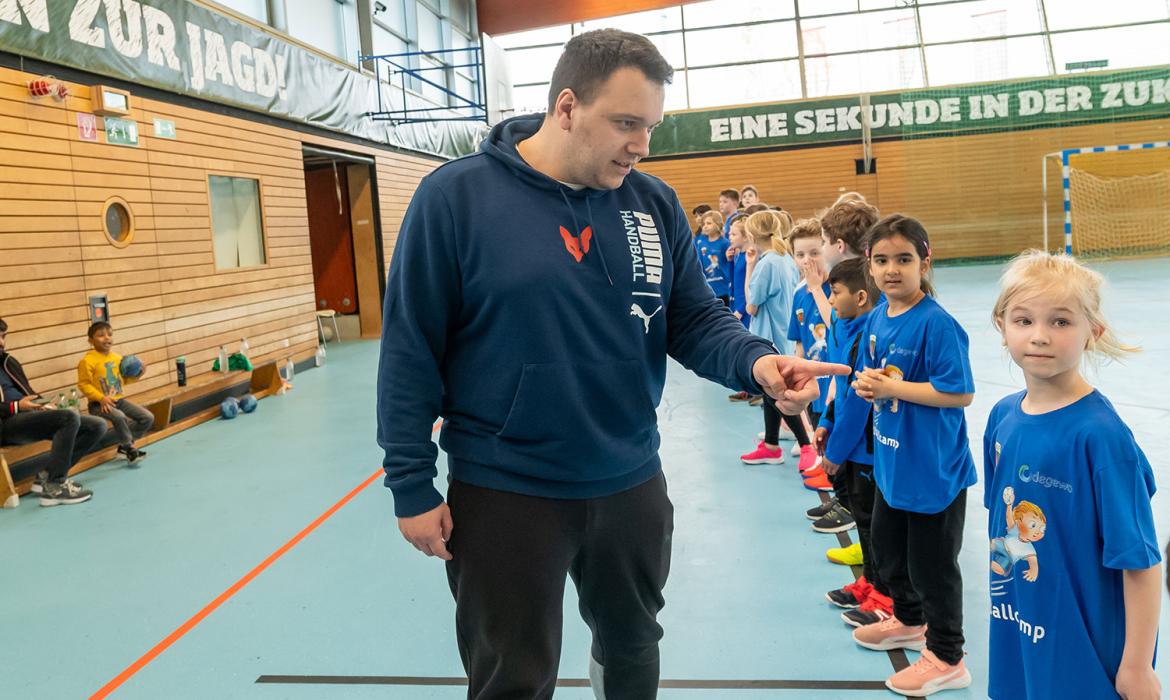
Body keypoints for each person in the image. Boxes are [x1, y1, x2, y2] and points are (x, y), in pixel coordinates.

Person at [375, 29, 849, 700]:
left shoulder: (651, 203)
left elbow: (692, 318)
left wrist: (759, 362)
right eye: (627, 123)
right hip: (506, 491)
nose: (642, 144)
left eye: (650, 126)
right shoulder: (455, 200)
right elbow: (409, 350)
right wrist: (410, 484)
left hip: (628, 482)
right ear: (566, 107)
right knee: (512, 674)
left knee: (632, 649)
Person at [985, 251, 1160, 700]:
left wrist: (1137, 667)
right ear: (1001, 327)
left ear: (1092, 332)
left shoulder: (1101, 438)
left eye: (1060, 322)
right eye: (1024, 320)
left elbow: (1140, 562)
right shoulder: (1001, 418)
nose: (1039, 336)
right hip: (1020, 630)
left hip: (1084, 653)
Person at [851, 215, 975, 696]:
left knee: (933, 567)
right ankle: (907, 619)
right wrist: (868, 387)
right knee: (888, 552)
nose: (891, 270)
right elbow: (875, 376)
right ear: (869, 265)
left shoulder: (937, 324)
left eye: (903, 259)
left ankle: (948, 654)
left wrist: (894, 387)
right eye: (881, 260)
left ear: (924, 262)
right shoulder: (879, 315)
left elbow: (958, 392)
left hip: (932, 471)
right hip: (892, 464)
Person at [811, 259, 894, 627]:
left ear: (861, 297)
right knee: (863, 519)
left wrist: (836, 452)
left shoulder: (867, 335)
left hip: (867, 450)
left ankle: (885, 593)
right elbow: (841, 389)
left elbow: (860, 402)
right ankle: (869, 581)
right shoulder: (846, 328)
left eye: (836, 292)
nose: (831, 298)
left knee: (876, 523)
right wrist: (827, 421)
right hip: (850, 443)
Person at [737, 211, 817, 470]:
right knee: (768, 391)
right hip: (784, 334)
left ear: (752, 235)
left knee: (777, 394)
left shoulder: (767, 263)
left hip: (768, 338)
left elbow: (751, 306)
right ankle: (771, 445)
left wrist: (750, 267)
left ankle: (806, 444)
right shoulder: (785, 258)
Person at [0, 317, 105, 506]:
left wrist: (43, 404)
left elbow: (27, 392)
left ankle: (47, 476)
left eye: (3, 337)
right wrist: (16, 406)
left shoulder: (7, 361)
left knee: (97, 425)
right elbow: (17, 403)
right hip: (6, 424)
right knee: (69, 419)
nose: (1, 342)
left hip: (26, 416)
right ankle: (55, 487)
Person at [786, 217, 831, 479]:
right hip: (815, 384)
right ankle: (825, 471)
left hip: (836, 384)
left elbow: (838, 329)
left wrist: (816, 288)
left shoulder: (836, 287)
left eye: (815, 252)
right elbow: (800, 341)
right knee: (819, 433)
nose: (807, 260)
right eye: (800, 254)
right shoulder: (799, 292)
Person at [78, 322, 153, 464]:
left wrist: (137, 375)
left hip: (119, 401)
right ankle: (129, 447)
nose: (106, 338)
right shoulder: (87, 361)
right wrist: (101, 398)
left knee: (147, 417)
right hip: (98, 404)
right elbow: (83, 384)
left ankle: (125, 446)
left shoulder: (118, 358)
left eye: (109, 334)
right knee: (119, 417)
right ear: (90, 340)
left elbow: (122, 381)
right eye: (101, 335)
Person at [695, 210, 732, 306]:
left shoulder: (725, 243)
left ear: (718, 224)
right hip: (708, 289)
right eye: (704, 224)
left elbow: (728, 264)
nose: (705, 226)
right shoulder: (701, 244)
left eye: (709, 223)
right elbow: (699, 265)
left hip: (723, 288)